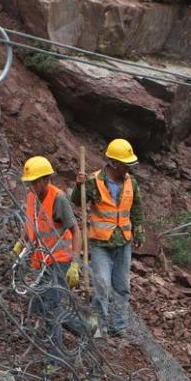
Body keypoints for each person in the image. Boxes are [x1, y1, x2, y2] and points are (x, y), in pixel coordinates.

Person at [72, 138, 144, 337]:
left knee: (121, 287)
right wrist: (79, 186)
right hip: (100, 244)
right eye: (126, 164)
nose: (129, 168)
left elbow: (136, 208)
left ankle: (119, 327)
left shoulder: (132, 183)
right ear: (114, 163)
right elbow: (77, 201)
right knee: (102, 285)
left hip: (123, 242)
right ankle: (98, 328)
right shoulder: (94, 181)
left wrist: (138, 230)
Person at [16, 155, 87, 349]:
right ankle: (85, 330)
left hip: (60, 260)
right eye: (29, 182)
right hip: (42, 259)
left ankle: (56, 357)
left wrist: (74, 264)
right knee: (38, 305)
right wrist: (20, 244)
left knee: (50, 306)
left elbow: (76, 231)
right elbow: (32, 222)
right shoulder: (31, 197)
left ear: (46, 180)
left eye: (34, 182)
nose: (30, 186)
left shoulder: (58, 199)